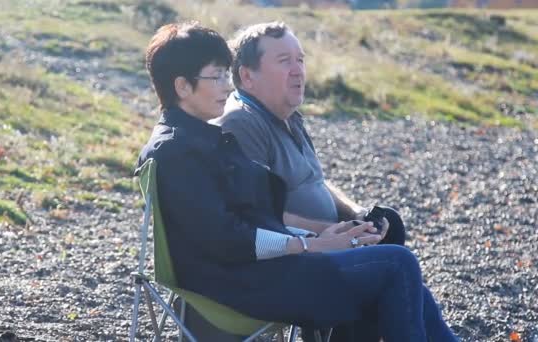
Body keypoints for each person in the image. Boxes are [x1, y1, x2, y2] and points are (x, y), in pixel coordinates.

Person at [136, 21, 458, 342]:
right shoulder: (178, 150)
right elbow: (228, 239)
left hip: (256, 271)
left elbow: (251, 218)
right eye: (216, 76)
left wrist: (320, 235)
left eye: (226, 74)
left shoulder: (199, 139)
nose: (226, 86)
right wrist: (310, 245)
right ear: (182, 86)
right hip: (240, 283)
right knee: (396, 264)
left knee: (384, 250)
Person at [212, 22, 416, 341]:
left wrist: (355, 214)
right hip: (294, 256)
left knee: (387, 223)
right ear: (247, 76)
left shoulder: (288, 115)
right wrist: (324, 234)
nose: (298, 71)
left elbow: (314, 181)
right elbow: (258, 214)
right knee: (392, 269)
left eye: (301, 60)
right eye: (284, 61)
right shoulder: (242, 122)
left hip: (325, 241)